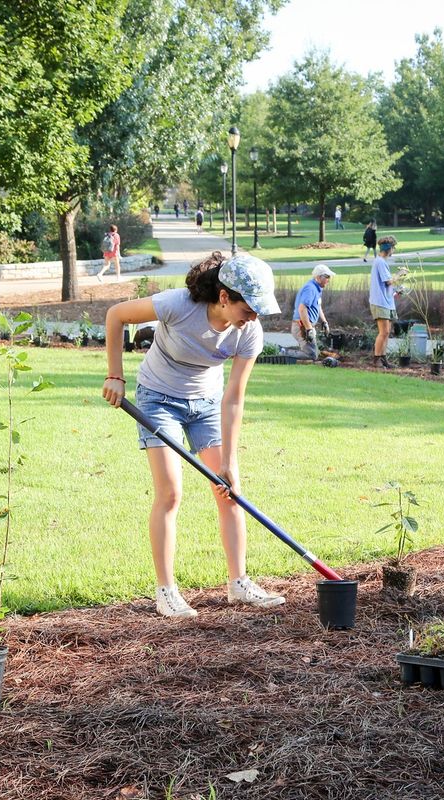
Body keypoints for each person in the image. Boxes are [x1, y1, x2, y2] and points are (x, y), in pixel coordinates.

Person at [102, 251, 286, 619]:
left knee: (231, 492)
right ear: (223, 297)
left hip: (207, 405)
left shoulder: (248, 332)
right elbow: (116, 315)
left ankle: (239, 583)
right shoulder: (177, 305)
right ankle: (166, 591)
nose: (254, 317)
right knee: (171, 492)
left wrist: (230, 463)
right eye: (249, 308)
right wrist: (115, 375)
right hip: (158, 401)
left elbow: (233, 400)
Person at [369, 236, 402, 369]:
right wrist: (400, 273)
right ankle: (376, 360)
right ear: (389, 249)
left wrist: (396, 291)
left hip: (386, 301)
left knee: (387, 332)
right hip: (380, 302)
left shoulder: (381, 262)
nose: (394, 250)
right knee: (383, 332)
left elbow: (387, 285)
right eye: (393, 248)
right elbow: (388, 281)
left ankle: (384, 359)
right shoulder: (380, 262)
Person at [291, 264, 333, 359]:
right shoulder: (310, 289)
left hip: (307, 326)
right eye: (327, 277)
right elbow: (302, 309)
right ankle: (283, 352)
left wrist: (324, 321)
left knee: (313, 352)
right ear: (318, 277)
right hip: (301, 326)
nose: (329, 280)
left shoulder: (317, 288)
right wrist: (308, 329)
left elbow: (318, 306)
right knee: (311, 355)